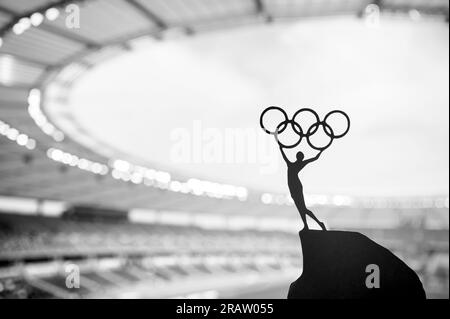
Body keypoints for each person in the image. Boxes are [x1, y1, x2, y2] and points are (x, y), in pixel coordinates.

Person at [279, 145, 327, 231]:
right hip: (293, 188)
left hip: (296, 187)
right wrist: (321, 150)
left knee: (303, 208)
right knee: (300, 209)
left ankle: (318, 223)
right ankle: (306, 225)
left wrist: (281, 148)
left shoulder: (292, 164)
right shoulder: (293, 164)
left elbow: (314, 158)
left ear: (298, 157)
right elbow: (314, 158)